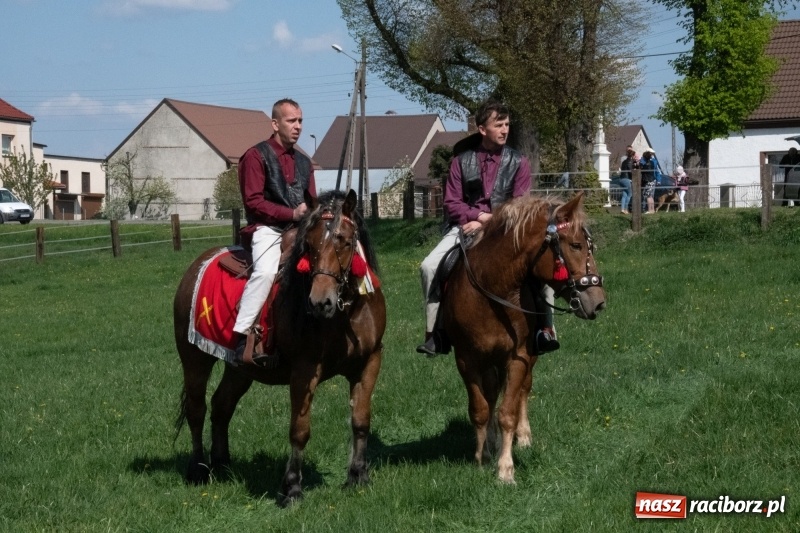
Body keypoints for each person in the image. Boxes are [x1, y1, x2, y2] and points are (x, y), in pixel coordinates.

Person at [416, 100, 559, 356]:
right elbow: (452, 203)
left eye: (507, 125)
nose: (505, 130)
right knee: (429, 267)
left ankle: (545, 330)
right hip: (464, 227)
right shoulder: (460, 161)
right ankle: (435, 333)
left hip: (507, 230)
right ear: (482, 129)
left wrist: (486, 220)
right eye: (499, 125)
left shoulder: (519, 162)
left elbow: (520, 206)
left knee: (543, 266)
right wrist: (477, 216)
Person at [232, 98, 317, 366]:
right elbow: (253, 203)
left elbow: (312, 201)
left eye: (300, 120)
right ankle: (242, 336)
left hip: (299, 229)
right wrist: (291, 214)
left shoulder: (304, 162)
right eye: (291, 121)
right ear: (275, 124)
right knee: (267, 272)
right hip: (266, 229)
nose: (298, 126)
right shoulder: (255, 156)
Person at [615, 145, 638, 214]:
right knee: (630, 194)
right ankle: (625, 209)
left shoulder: (624, 161)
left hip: (621, 179)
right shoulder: (630, 162)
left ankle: (622, 209)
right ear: (632, 156)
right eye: (634, 156)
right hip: (626, 179)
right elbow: (630, 171)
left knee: (624, 194)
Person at [639, 149, 657, 214]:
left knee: (648, 196)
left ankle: (649, 210)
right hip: (652, 180)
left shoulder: (645, 164)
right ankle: (652, 210)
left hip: (648, 180)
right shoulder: (652, 162)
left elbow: (642, 170)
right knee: (651, 196)